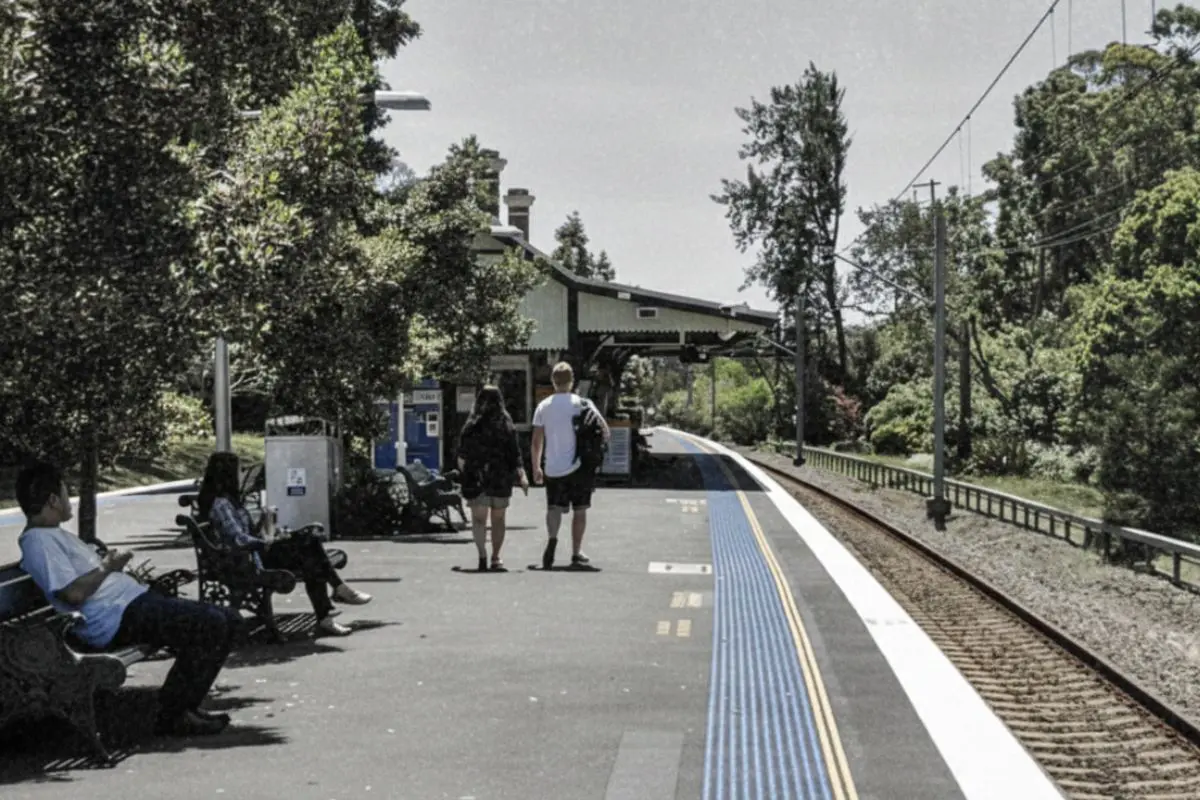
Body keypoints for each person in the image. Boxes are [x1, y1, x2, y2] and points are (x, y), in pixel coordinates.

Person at [16, 461, 237, 737]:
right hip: (115, 618)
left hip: (129, 605)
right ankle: (174, 714)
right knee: (213, 623)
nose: (67, 497)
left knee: (228, 619)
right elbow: (72, 594)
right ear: (51, 500)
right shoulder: (38, 542)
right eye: (64, 492)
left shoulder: (52, 535)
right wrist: (107, 566)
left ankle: (185, 706)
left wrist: (112, 569)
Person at [197, 452, 370, 637]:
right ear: (227, 474)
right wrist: (265, 543)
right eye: (239, 471)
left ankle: (330, 607)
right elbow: (238, 539)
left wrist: (267, 530)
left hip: (250, 555)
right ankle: (334, 598)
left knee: (310, 552)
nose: (241, 476)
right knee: (310, 548)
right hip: (246, 561)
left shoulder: (228, 500)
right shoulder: (221, 503)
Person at [531, 361, 610, 569]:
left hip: (553, 467)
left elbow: (536, 441)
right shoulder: (583, 404)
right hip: (579, 467)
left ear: (553, 382)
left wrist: (536, 467)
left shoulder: (543, 406)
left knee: (554, 507)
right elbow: (605, 430)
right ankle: (576, 552)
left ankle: (552, 540)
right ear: (572, 381)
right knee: (580, 510)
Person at [457, 385, 528, 572]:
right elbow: (515, 453)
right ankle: (496, 557)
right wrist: (521, 474)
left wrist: (467, 474)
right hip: (500, 478)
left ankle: (482, 555)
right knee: (498, 520)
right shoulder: (506, 423)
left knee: (479, 520)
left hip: (477, 478)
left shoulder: (471, 425)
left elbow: (462, 456)